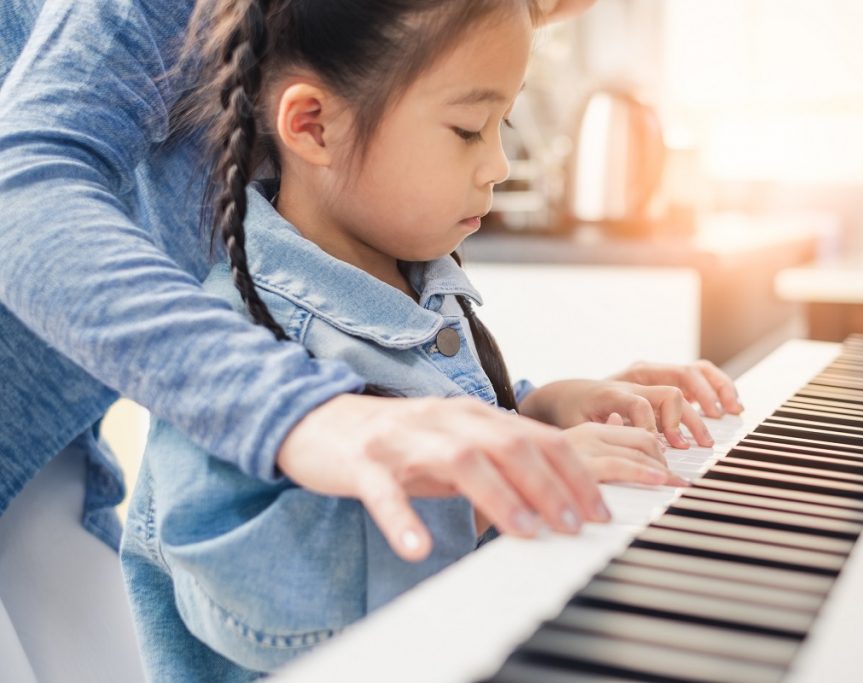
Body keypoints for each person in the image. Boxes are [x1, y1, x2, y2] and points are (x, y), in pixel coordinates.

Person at [0, 0, 740, 679]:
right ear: (312, 126)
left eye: (502, 125)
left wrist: (538, 410)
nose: (501, 167)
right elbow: (270, 598)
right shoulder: (245, 325)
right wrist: (469, 495)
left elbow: (421, 403)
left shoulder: (405, 268)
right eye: (468, 129)